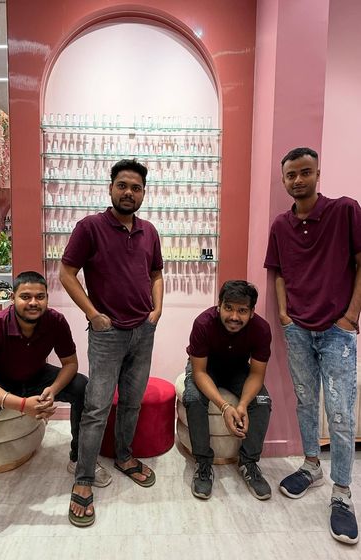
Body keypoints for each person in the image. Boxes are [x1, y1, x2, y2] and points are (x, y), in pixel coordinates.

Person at [0, 271, 109, 552]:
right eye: (25, 296)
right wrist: (23, 405)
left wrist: (53, 390)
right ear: (13, 298)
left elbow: (70, 364)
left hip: (37, 375)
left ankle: (78, 458)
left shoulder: (55, 321)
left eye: (40, 296)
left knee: (82, 386)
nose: (33, 302)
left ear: (46, 298)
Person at [264, 147, 361, 545]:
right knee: (305, 401)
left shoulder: (345, 210)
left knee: (340, 413)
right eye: (291, 175)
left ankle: (342, 492)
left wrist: (351, 315)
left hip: (338, 330)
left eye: (305, 172)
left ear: (318, 173)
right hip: (298, 329)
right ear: (284, 180)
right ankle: (310, 466)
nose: (298, 180)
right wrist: (285, 315)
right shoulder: (280, 225)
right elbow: (279, 273)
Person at [60, 158, 164, 527]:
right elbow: (66, 273)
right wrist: (93, 314)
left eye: (136, 188)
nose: (129, 192)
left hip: (143, 332)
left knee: (132, 401)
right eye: (122, 185)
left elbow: (156, 273)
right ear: (110, 188)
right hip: (107, 335)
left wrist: (157, 310)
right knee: (97, 407)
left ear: (143, 193)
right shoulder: (90, 227)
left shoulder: (149, 231)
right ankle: (84, 478)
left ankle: (123, 456)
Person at [183, 280, 272, 500]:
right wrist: (224, 407)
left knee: (262, 401)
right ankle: (203, 464)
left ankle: (249, 462)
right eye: (228, 308)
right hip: (206, 368)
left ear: (252, 312)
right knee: (193, 398)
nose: (234, 316)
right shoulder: (203, 323)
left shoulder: (261, 329)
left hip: (238, 369)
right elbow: (199, 372)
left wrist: (242, 405)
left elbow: (256, 374)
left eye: (242, 310)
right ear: (219, 306)